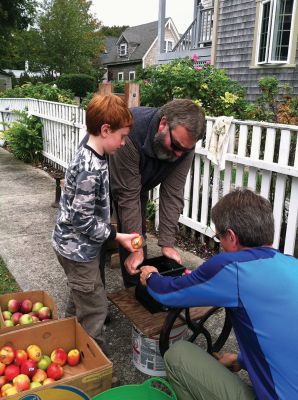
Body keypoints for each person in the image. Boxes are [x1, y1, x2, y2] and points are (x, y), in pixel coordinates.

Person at [140, 188, 298, 400]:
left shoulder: (233, 267)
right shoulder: (291, 264)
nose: (219, 244)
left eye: (219, 237)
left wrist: (150, 277)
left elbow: (169, 293)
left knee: (178, 355)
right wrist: (242, 360)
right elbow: (284, 334)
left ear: (231, 236)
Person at [52, 94, 140, 354]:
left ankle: (66, 345)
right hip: (77, 250)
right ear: (105, 130)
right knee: (95, 310)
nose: (124, 143)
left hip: (73, 247)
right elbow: (81, 219)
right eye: (122, 136)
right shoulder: (90, 166)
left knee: (80, 298)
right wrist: (116, 235)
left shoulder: (93, 155)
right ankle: (96, 368)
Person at [109, 99, 206, 287]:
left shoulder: (184, 146)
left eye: (184, 151)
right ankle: (93, 308)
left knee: (137, 241)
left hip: (136, 185)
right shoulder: (130, 132)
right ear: (163, 124)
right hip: (99, 182)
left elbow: (173, 194)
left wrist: (167, 243)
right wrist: (135, 248)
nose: (179, 155)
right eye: (176, 146)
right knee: (92, 241)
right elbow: (127, 197)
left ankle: (135, 291)